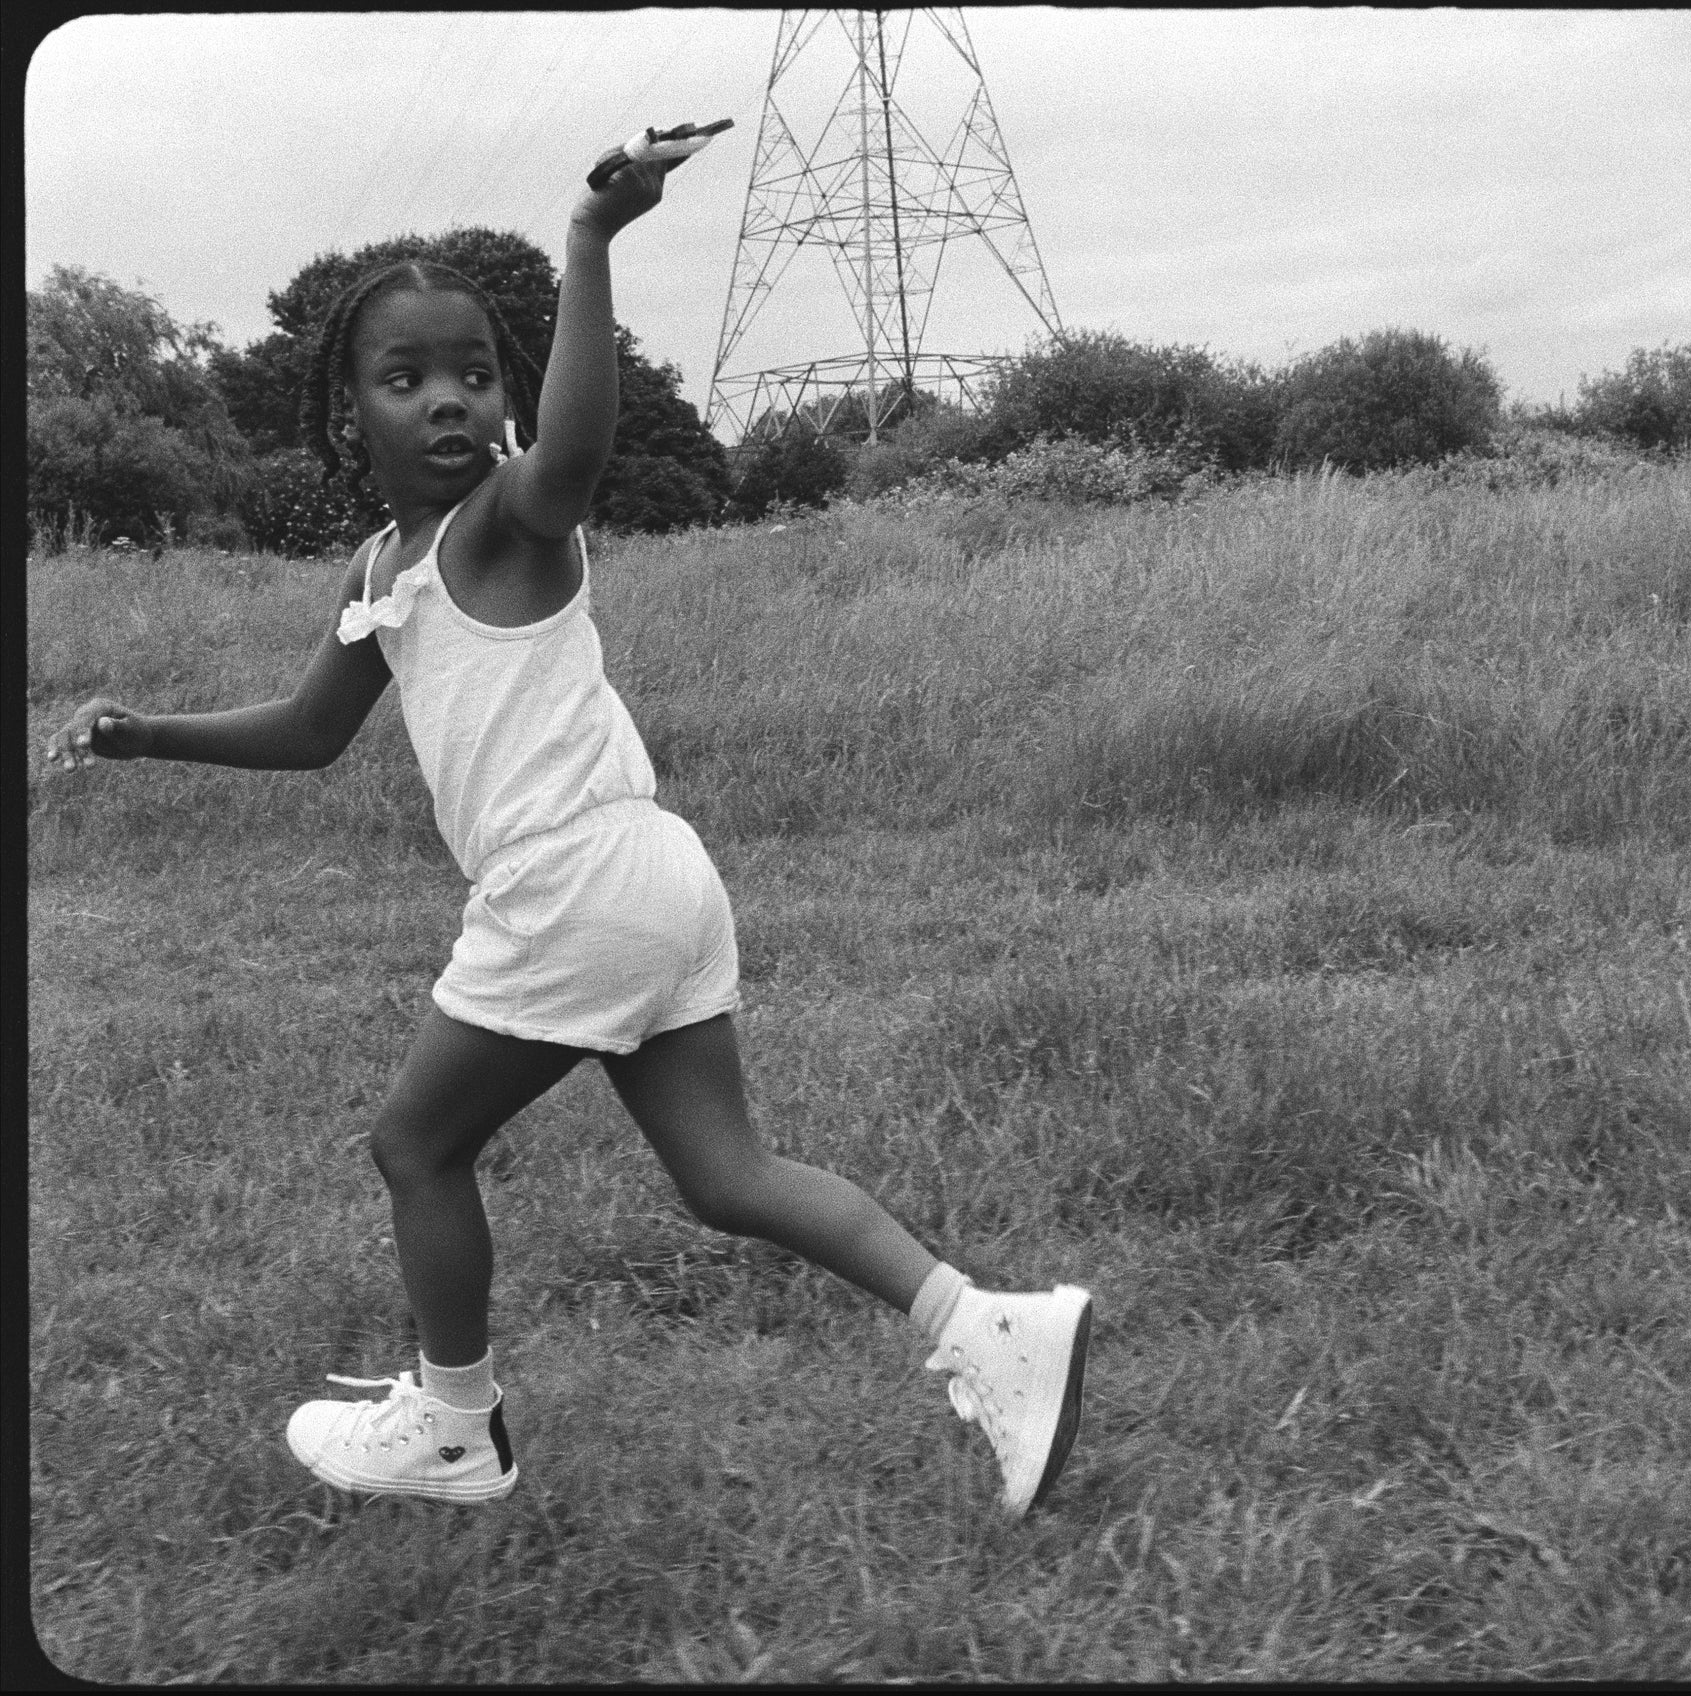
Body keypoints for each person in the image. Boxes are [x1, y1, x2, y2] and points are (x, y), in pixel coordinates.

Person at [42, 141, 1090, 1519]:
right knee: (729, 1176)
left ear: (508, 394)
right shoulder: (387, 568)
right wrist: (148, 735)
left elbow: (576, 458)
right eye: (405, 377)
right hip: (652, 872)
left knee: (415, 1147)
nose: (448, 401)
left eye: (475, 373)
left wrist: (591, 241)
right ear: (347, 409)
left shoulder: (509, 523)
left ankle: (457, 1426)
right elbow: (312, 728)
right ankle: (988, 1327)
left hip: (576, 883)